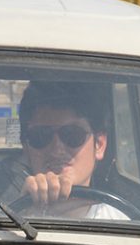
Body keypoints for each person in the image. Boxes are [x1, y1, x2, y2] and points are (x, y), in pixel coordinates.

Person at [15, 80, 129, 221]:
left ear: (99, 145)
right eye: (41, 136)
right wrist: (25, 215)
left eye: (72, 134)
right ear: (26, 148)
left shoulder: (124, 225)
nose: (57, 149)